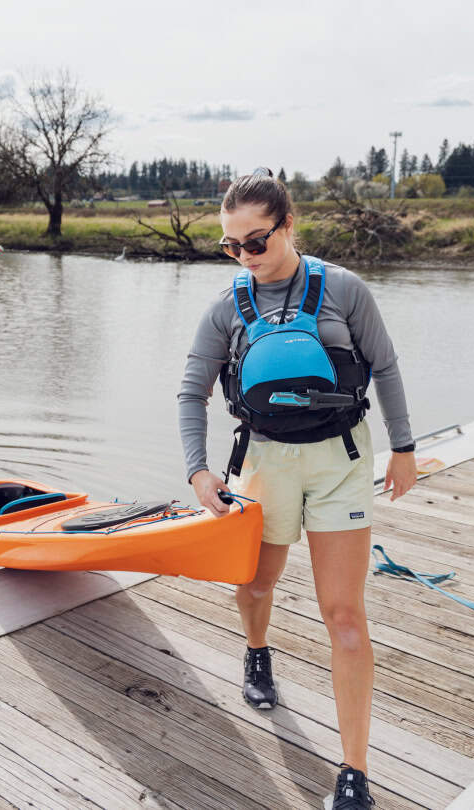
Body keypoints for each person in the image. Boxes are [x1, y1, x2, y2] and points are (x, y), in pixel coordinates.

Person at [178, 168, 418, 810]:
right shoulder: (226, 307)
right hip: (262, 464)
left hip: (340, 461)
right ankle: (258, 651)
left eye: (255, 241)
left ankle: (355, 772)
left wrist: (404, 447)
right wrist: (199, 470)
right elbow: (190, 391)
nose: (245, 256)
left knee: (344, 616)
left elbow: (386, 366)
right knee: (255, 585)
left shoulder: (343, 288)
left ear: (288, 226)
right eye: (231, 246)